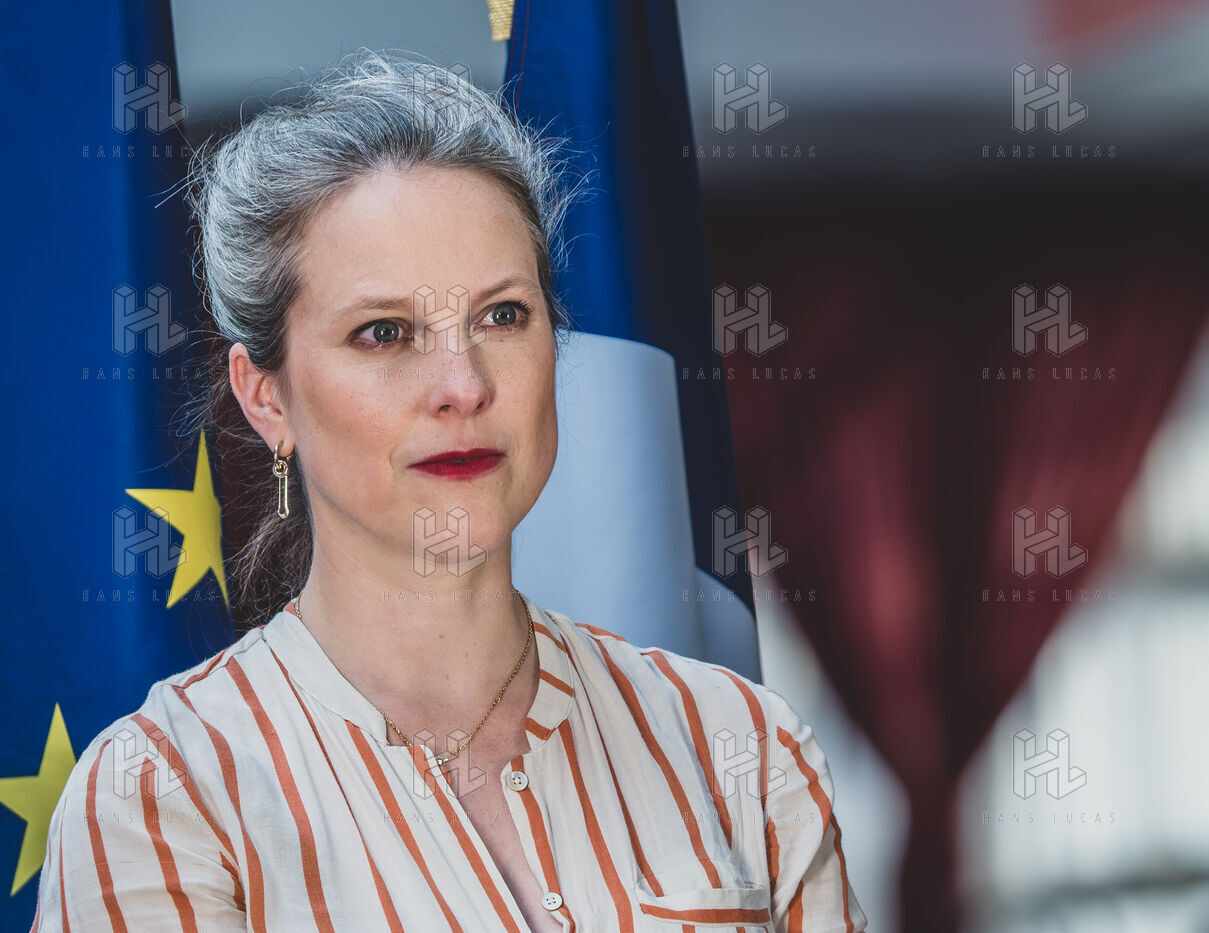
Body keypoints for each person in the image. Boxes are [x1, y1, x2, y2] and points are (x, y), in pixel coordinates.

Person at [30, 50, 866, 932]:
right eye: (384, 332)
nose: (463, 385)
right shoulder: (163, 797)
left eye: (502, 315)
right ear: (265, 396)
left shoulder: (742, 743)